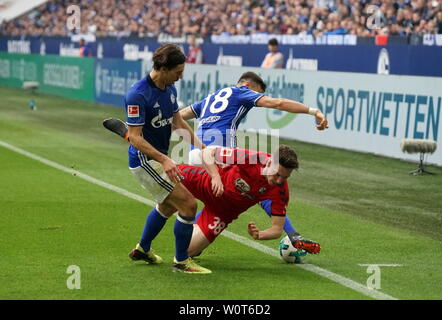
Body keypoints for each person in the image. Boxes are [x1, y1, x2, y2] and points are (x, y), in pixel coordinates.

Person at [104, 71, 327, 251]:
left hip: (196, 155)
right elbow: (277, 103)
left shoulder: (211, 98)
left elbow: (176, 118)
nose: (255, 100)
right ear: (248, 86)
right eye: (257, 94)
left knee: (175, 203)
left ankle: (129, 135)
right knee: (261, 185)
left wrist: (139, 129)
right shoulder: (243, 93)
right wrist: (312, 111)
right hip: (217, 156)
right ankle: (294, 235)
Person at [124, 43, 211, 274]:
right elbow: (134, 137)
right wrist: (164, 160)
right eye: (177, 72)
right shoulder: (138, 94)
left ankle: (143, 248)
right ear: (163, 68)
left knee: (167, 205)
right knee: (189, 204)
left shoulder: (170, 90)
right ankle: (182, 261)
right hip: (145, 161)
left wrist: (201, 147)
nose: (180, 77)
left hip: (158, 158)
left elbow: (177, 122)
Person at [182, 145, 320, 257]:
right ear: (270, 162)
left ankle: (194, 231)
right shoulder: (252, 158)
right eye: (277, 174)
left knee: (187, 251)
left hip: (222, 213)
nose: (279, 181)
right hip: (207, 185)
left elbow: (277, 229)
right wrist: (215, 177)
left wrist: (259, 235)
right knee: (169, 177)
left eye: (285, 177)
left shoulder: (281, 191)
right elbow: (207, 152)